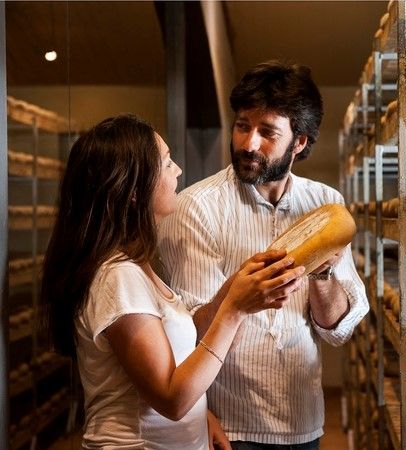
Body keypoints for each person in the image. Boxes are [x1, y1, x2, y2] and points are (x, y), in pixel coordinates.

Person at [40, 114, 306, 449]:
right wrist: (235, 309)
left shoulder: (134, 266)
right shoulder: (117, 277)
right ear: (134, 190)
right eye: (166, 163)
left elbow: (178, 351)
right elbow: (171, 400)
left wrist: (233, 289)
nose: (178, 170)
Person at [157, 60, 369, 449]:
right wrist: (238, 295)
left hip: (303, 420)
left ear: (299, 142)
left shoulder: (327, 204)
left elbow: (339, 329)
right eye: (242, 126)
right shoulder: (196, 208)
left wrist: (322, 274)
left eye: (267, 132)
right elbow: (187, 336)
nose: (248, 143)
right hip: (227, 426)